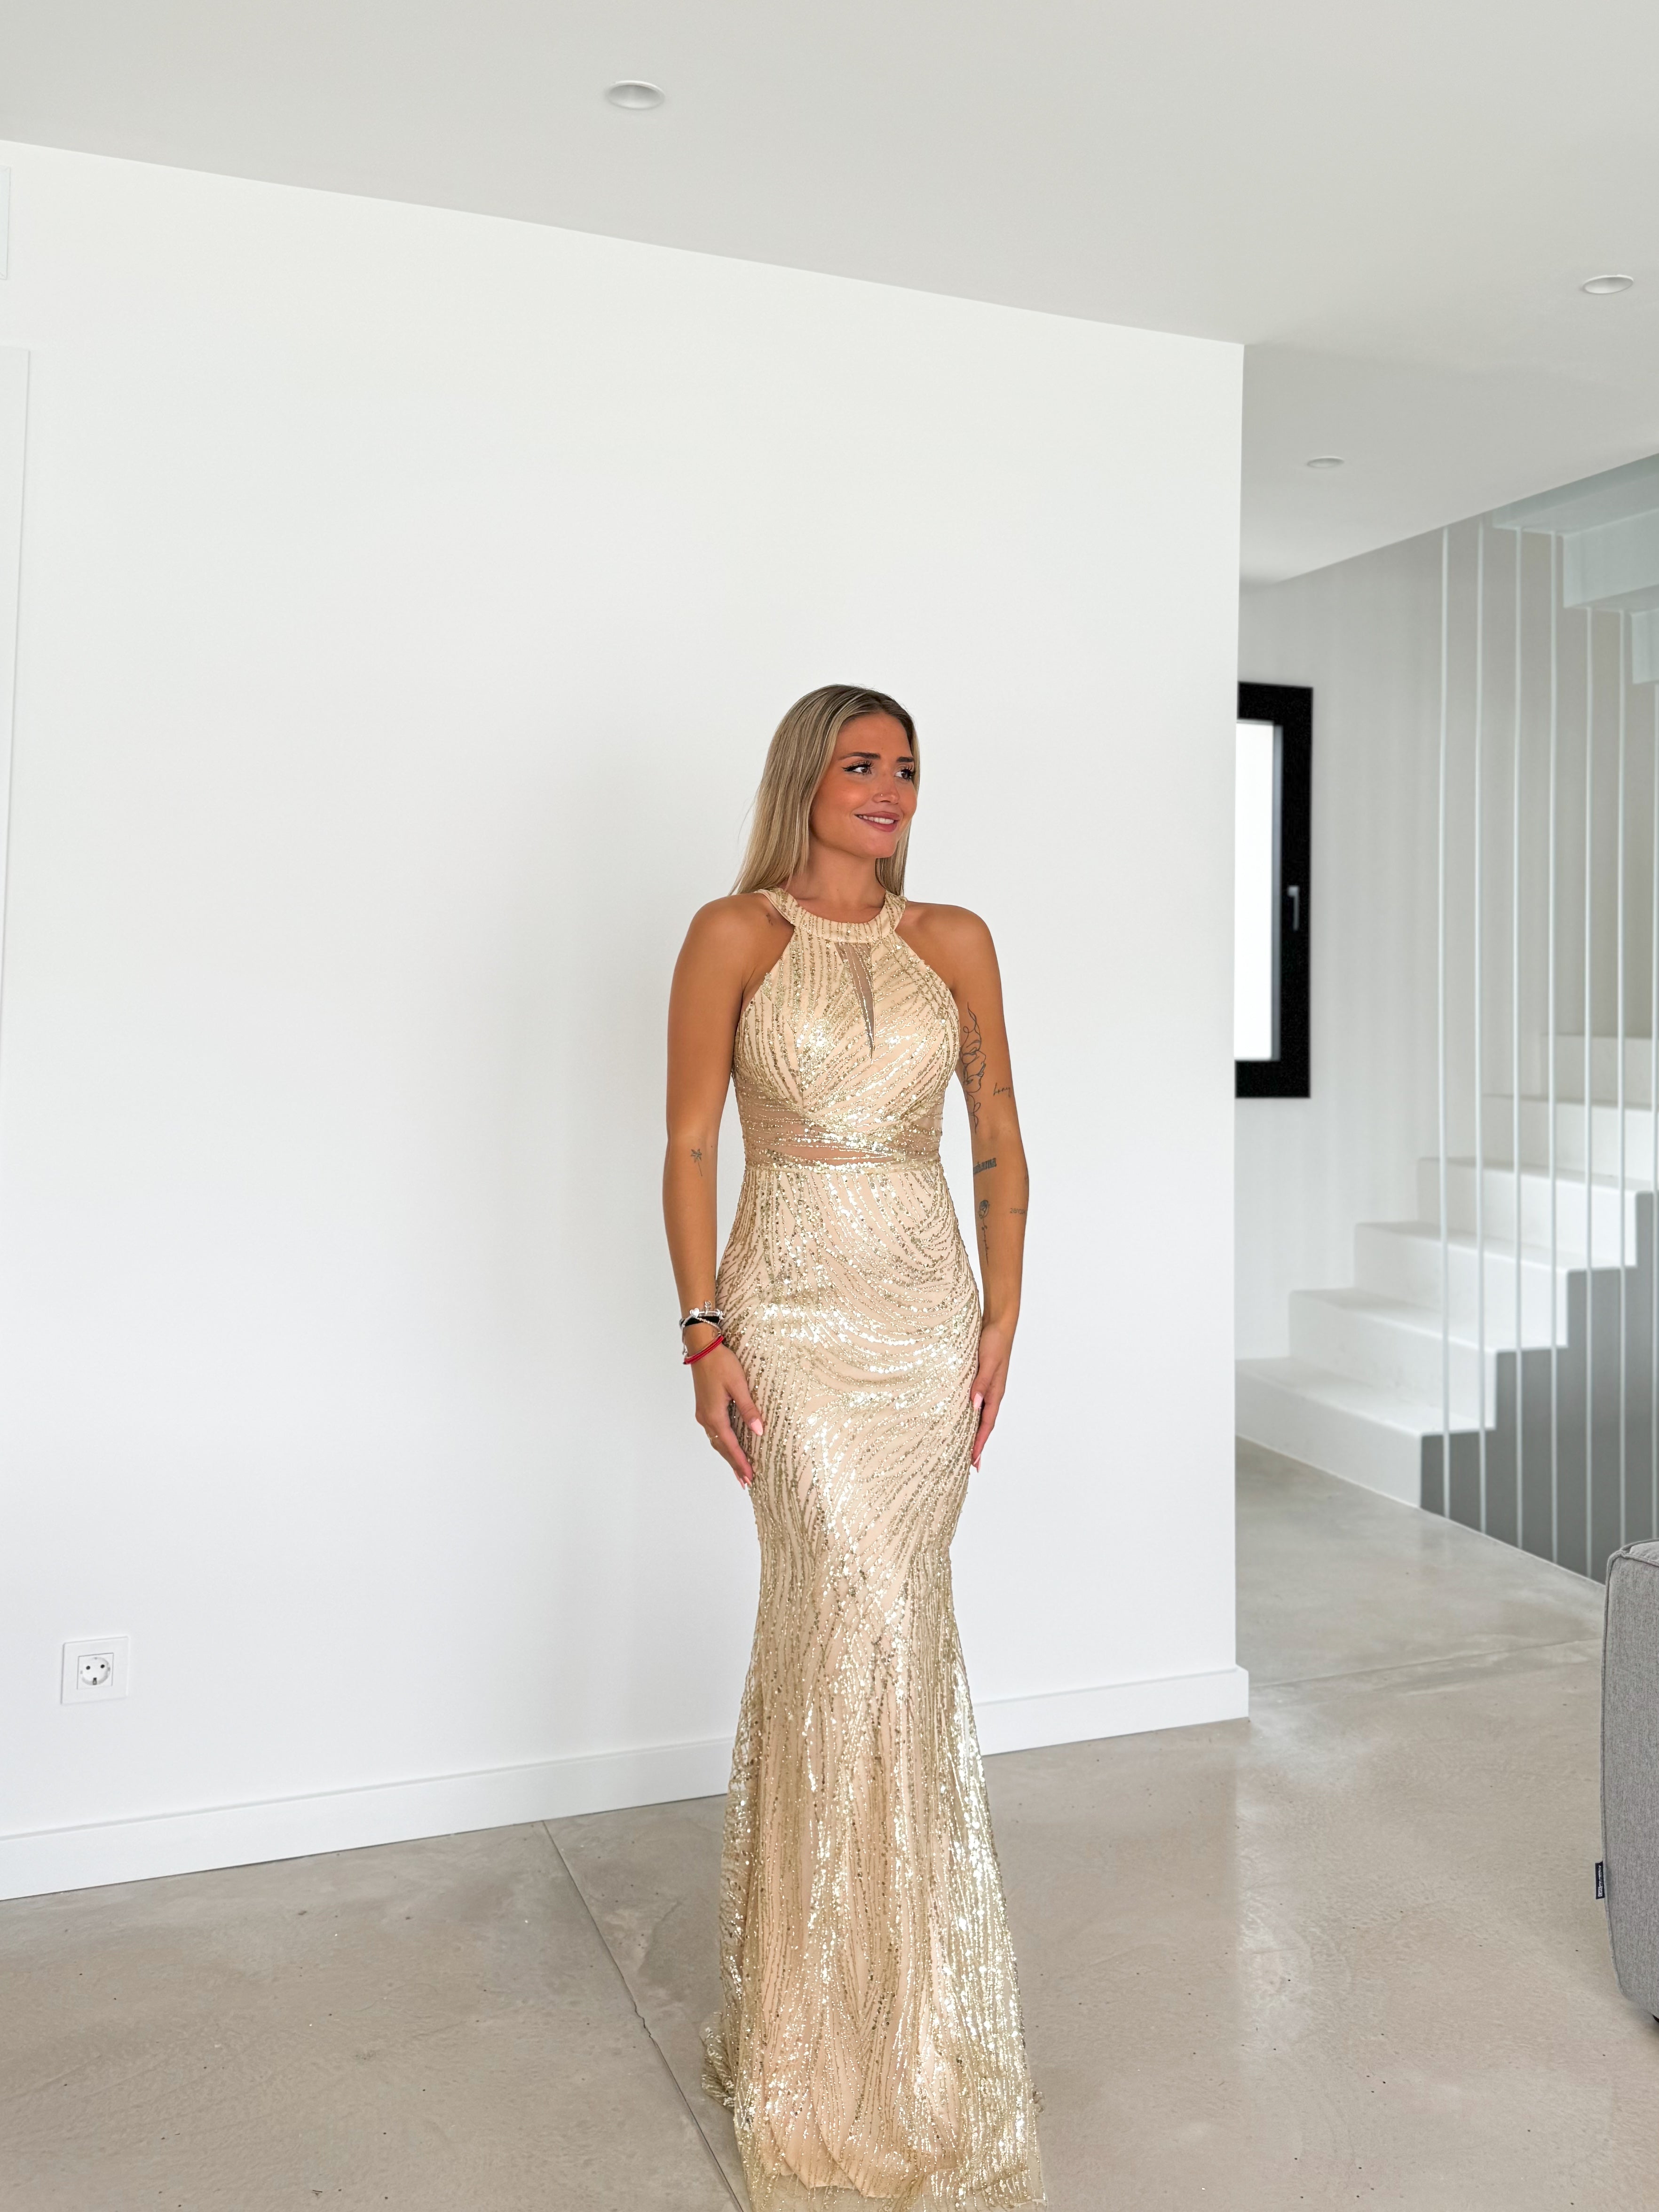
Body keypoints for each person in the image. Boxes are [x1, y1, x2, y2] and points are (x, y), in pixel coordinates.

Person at [663, 685, 1044, 2210]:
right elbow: (690, 1141)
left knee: (895, 1627)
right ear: (805, 782)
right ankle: (816, 2044)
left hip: (927, 1317)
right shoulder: (732, 934)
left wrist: (1002, 1318)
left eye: (907, 769)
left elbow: (1000, 1135)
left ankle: (913, 2033)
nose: (889, 790)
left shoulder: (955, 940)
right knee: (844, 1623)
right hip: (792, 1316)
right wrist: (704, 1332)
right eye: (860, 765)